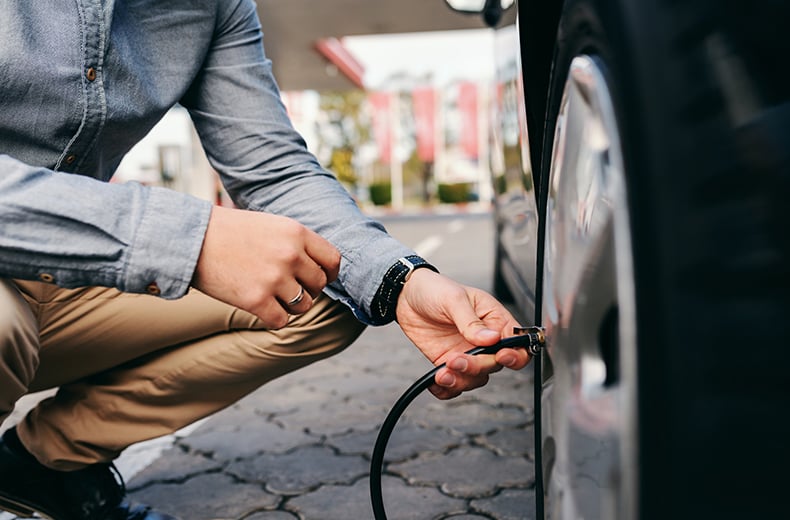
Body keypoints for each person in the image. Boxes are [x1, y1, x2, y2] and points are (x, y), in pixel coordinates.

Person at [0, 2, 532, 519]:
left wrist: (403, 282)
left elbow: (275, 169)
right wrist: (191, 241)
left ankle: (46, 463)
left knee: (320, 285)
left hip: (69, 280)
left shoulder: (213, 7)